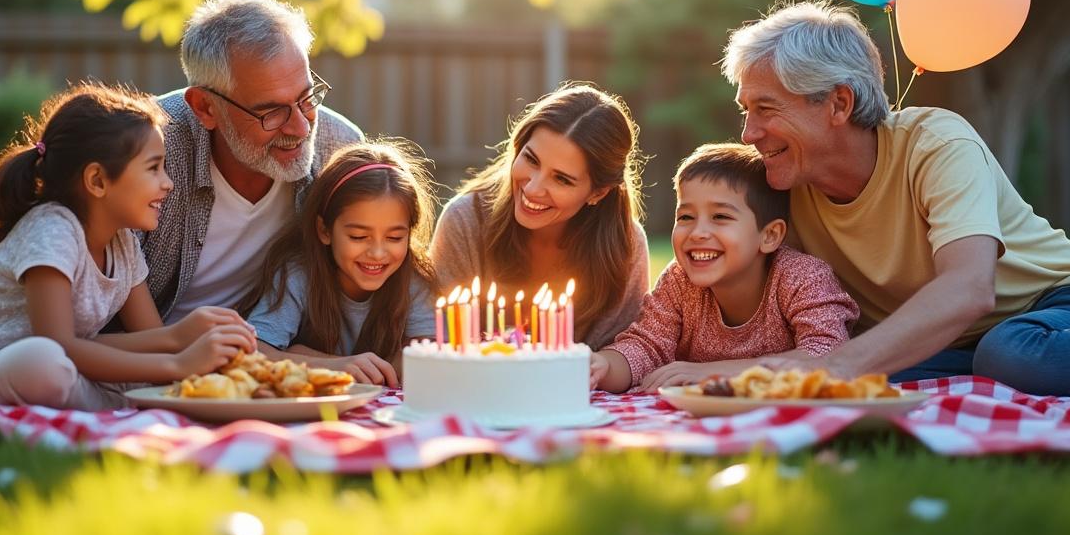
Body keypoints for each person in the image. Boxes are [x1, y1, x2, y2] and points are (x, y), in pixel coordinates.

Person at [720, 0, 1070, 396]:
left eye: (766, 108)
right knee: (880, 369)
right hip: (959, 346)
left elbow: (968, 289)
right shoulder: (782, 187)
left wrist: (838, 366)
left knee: (1007, 352)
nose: (748, 133)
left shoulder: (935, 143)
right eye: (746, 111)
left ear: (839, 104)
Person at [0, 83, 257, 410]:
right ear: (97, 181)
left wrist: (185, 337)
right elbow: (58, 343)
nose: (167, 183)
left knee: (124, 372)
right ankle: (112, 402)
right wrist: (178, 365)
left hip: (62, 362)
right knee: (46, 363)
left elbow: (151, 338)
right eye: (154, 168)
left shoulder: (123, 243)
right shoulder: (52, 230)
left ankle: (106, 402)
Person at [141, 0, 363, 327]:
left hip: (267, 354)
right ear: (205, 107)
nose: (301, 127)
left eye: (306, 98)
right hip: (143, 359)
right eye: (271, 112)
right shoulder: (147, 149)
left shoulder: (339, 148)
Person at [590, 143, 858, 392]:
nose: (698, 232)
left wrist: (717, 372)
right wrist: (602, 366)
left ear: (770, 236)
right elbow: (645, 348)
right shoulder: (679, 281)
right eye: (685, 216)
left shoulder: (802, 278)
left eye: (720, 216)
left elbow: (828, 353)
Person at [429, 83, 650, 350]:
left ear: (598, 192)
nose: (532, 188)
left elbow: (624, 350)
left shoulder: (625, 244)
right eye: (531, 160)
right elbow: (437, 340)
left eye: (561, 179)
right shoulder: (465, 221)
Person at [239, 142, 438, 386]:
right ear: (324, 230)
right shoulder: (299, 276)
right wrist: (335, 365)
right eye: (358, 237)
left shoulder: (413, 280)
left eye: (394, 238)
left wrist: (299, 353)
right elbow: (254, 352)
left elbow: (428, 352)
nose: (377, 253)